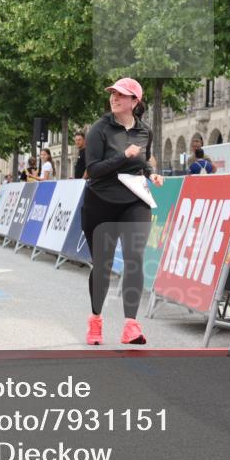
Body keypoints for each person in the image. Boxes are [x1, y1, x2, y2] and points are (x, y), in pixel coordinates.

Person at [81, 77, 164, 346]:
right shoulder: (99, 130)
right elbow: (93, 171)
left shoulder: (144, 132)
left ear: (134, 101)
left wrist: (151, 174)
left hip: (134, 200)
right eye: (113, 94)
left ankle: (131, 325)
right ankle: (95, 320)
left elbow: (142, 162)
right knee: (103, 266)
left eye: (121, 95)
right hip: (100, 201)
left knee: (134, 258)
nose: (114, 98)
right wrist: (122, 157)